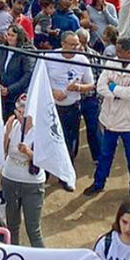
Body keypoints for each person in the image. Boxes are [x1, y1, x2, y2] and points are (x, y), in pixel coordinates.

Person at [87, 39, 130, 197]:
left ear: (129, 52)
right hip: (111, 118)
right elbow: (100, 87)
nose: (117, 54)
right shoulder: (111, 63)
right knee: (105, 154)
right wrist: (117, 94)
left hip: (129, 122)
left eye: (119, 52)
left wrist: (112, 87)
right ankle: (99, 182)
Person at [47, 31, 95, 174]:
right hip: (52, 107)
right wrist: (52, 91)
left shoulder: (82, 60)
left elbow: (91, 84)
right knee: (51, 139)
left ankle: (66, 171)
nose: (75, 48)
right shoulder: (49, 57)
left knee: (71, 140)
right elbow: (40, 81)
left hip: (73, 108)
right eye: (72, 45)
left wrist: (78, 88)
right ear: (63, 44)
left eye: (77, 45)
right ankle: (49, 170)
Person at [2, 94, 44, 247]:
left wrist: (29, 153)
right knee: (12, 226)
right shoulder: (12, 125)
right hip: (10, 178)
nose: (19, 116)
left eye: (23, 112)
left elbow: (46, 159)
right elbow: (2, 151)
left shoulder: (41, 130)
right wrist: (6, 133)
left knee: (33, 229)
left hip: (32, 183)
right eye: (18, 111)